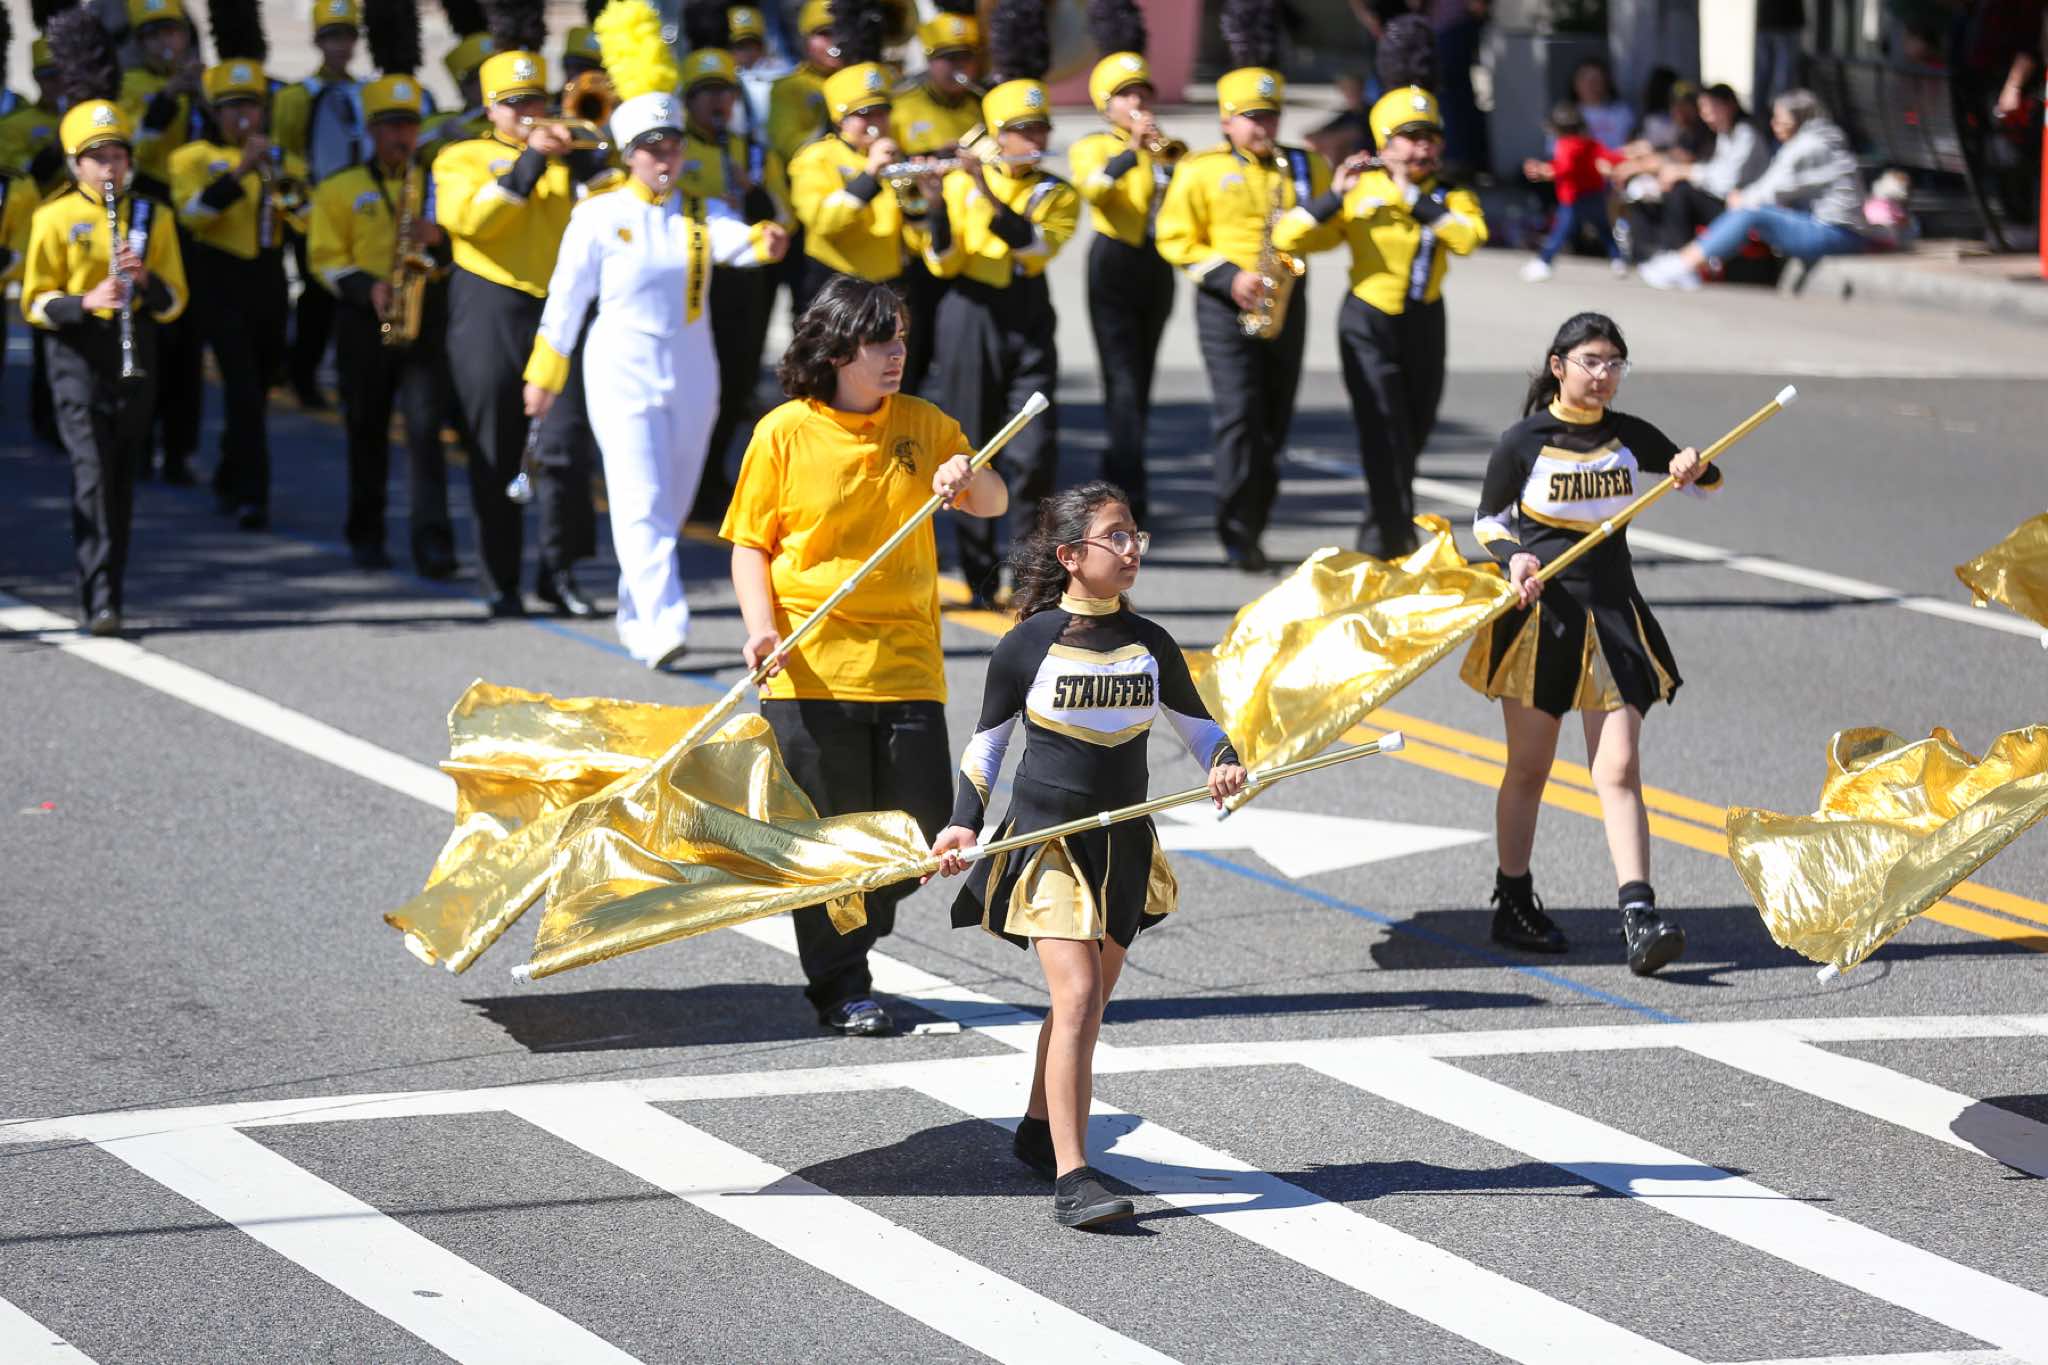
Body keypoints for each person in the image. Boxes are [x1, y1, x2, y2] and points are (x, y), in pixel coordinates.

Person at [930, 480, 1246, 1227]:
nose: (1132, 549)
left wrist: (1223, 760)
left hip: (1123, 844)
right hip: (1050, 845)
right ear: (1071, 555)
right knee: (1075, 997)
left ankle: (1039, 1129)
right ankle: (1074, 1178)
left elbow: (1198, 725)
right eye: (1116, 536)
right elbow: (987, 744)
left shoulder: (1151, 642)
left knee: (1087, 1002)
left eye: (1136, 535)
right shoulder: (1028, 643)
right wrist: (963, 823)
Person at [721, 277, 1007, 1036]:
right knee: (829, 841)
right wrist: (760, 628)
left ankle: (854, 917)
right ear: (838, 349)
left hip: (905, 661)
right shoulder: (783, 432)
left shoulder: (923, 422)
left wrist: (966, 477)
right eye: (881, 342)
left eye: (901, 339)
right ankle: (842, 984)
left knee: (920, 832)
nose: (896, 354)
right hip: (809, 667)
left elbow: (995, 501)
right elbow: (750, 545)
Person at [1461, 312, 1706, 977]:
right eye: (1591, 361)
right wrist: (1514, 558)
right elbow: (1488, 519)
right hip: (1544, 619)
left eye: (1614, 364)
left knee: (1618, 768)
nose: (1603, 375)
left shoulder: (1628, 436)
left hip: (1614, 614)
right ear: (1558, 366)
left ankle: (1639, 915)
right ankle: (1513, 898)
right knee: (1529, 768)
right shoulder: (1523, 442)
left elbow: (1701, 476)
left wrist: (1691, 466)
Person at [526, 56, 791, 670]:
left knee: (670, 501)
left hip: (692, 366)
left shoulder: (700, 212)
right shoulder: (597, 214)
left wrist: (768, 239)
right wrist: (544, 375)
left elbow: (741, 242)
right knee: (639, 496)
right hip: (621, 366)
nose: (664, 155)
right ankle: (664, 625)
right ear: (629, 154)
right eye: (651, 146)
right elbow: (566, 300)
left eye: (671, 143)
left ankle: (636, 610)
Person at [433, 43, 618, 617]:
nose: (527, 112)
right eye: (513, 103)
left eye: (535, 100)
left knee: (566, 445)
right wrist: (530, 161)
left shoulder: (571, 153)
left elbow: (617, 210)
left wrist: (587, 164)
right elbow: (470, 221)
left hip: (559, 304)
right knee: (496, 440)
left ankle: (559, 572)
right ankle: (500, 578)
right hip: (489, 302)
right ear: (490, 108)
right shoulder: (461, 156)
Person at [1277, 85, 1485, 560]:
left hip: (1424, 320)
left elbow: (1468, 239)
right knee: (1383, 429)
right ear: (1385, 144)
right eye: (1411, 137)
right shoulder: (1362, 190)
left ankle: (1380, 532)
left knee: (1414, 432)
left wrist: (1411, 197)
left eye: (1430, 137)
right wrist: (1334, 196)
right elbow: (1288, 236)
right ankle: (1395, 541)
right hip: (1368, 320)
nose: (1423, 148)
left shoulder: (1449, 195)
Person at [1155, 63, 1336, 572]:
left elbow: (1330, 232)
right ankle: (1235, 530)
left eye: (1271, 116)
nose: (1263, 127)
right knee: (1239, 416)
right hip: (1225, 302)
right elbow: (1174, 237)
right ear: (1226, 121)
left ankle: (1257, 520)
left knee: (1275, 419)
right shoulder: (1201, 168)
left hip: (1286, 299)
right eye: (1252, 117)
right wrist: (1229, 276)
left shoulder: (1304, 166)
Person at [22, 89, 188, 637]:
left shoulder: (151, 216)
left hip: (133, 351)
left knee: (120, 477)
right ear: (76, 164)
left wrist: (143, 280)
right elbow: (34, 301)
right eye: (97, 158)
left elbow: (175, 301)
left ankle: (111, 588)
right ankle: (97, 598)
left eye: (117, 156)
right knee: (91, 474)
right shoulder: (53, 216)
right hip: (76, 356)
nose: (109, 168)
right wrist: (85, 301)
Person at [924, 77, 1077, 607]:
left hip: (1026, 314)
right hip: (968, 313)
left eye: (1040, 128)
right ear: (996, 135)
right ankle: (979, 574)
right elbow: (942, 262)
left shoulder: (1055, 192)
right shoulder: (958, 183)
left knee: (1035, 452)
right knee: (971, 449)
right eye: (1021, 130)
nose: (1034, 138)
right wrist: (935, 202)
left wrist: (982, 188)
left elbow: (1031, 248)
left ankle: (1030, 574)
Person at [308, 73, 459, 577]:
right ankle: (366, 533)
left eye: (409, 126)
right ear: (372, 131)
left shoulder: (438, 186)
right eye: (391, 126)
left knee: (425, 435)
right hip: (364, 320)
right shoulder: (340, 188)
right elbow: (324, 257)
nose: (401, 136)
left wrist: (437, 238)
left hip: (424, 318)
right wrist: (365, 288)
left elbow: (464, 247)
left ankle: (433, 541)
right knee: (366, 431)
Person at [168, 58, 306, 531]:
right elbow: (193, 214)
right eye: (232, 107)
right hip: (219, 278)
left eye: (250, 106)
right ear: (215, 112)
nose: (243, 116)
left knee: (260, 384)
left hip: (267, 278)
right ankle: (253, 495)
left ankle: (231, 472)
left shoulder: (283, 161)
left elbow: (305, 219)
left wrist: (277, 175)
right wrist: (241, 170)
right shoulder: (191, 158)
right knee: (242, 387)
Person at [675, 45, 792, 528]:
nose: (716, 102)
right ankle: (692, 480)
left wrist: (751, 191)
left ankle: (714, 476)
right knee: (699, 385)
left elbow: (785, 216)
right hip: (697, 284)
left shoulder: (754, 152)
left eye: (724, 91)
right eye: (705, 92)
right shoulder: (675, 148)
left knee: (738, 383)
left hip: (747, 283)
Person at [1069, 30, 1177, 525]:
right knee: (1122, 379)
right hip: (1112, 259)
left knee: (1143, 376)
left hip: (1155, 260)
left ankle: (1118, 469)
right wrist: (1131, 150)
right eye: (1125, 95)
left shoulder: (1163, 148)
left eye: (1142, 94)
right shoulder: (1092, 146)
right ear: (1105, 105)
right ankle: (1131, 490)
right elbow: (1095, 191)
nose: (1137, 103)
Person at [1638, 89, 1870, 290]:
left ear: (1798, 119)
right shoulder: (1816, 141)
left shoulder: (1809, 147)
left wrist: (1743, 199)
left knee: (1749, 213)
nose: (1774, 125)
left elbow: (1769, 190)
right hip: (1830, 228)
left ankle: (1683, 264)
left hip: (1835, 233)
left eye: (1780, 119)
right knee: (1741, 209)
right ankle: (1684, 261)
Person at [273, 0, 367, 411]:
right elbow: (284, 157)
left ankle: (352, 377)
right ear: (317, 41)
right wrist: (304, 212)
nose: (340, 46)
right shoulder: (297, 97)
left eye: (346, 36)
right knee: (317, 301)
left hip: (360, 212)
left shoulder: (366, 93)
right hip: (314, 213)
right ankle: (303, 375)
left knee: (356, 299)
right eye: (331, 37)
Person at [890, 12, 981, 393]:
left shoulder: (982, 105)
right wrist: (929, 158)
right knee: (914, 346)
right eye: (948, 58)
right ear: (929, 60)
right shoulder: (902, 106)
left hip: (970, 240)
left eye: (965, 57)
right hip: (920, 240)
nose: (958, 67)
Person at [787, 61, 912, 308]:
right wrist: (870, 174)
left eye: (882, 112)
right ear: (840, 119)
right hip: (835, 280)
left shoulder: (895, 156)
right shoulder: (817, 157)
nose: (876, 122)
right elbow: (823, 221)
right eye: (864, 115)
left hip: (890, 280)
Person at [1627, 83, 1769, 258]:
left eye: (1711, 108)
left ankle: (1680, 256)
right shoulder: (1725, 134)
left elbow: (1726, 180)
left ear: (1730, 105)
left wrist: (1685, 172)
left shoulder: (1746, 134)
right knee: (1655, 191)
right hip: (1725, 199)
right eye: (1703, 109)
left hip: (1743, 205)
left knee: (1682, 192)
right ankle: (1656, 251)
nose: (1706, 115)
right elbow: (1713, 171)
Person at [1520, 102, 1623, 282]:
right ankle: (1618, 260)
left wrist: (1543, 170)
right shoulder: (1591, 143)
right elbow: (1609, 157)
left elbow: (1564, 168)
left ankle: (1544, 262)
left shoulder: (1565, 145)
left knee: (1559, 232)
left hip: (1573, 198)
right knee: (1604, 229)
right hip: (1595, 195)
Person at [1569, 56, 1635, 149]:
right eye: (1584, 80)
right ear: (1575, 83)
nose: (1590, 85)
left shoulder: (1622, 111)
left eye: (1596, 80)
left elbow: (1631, 144)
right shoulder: (1567, 114)